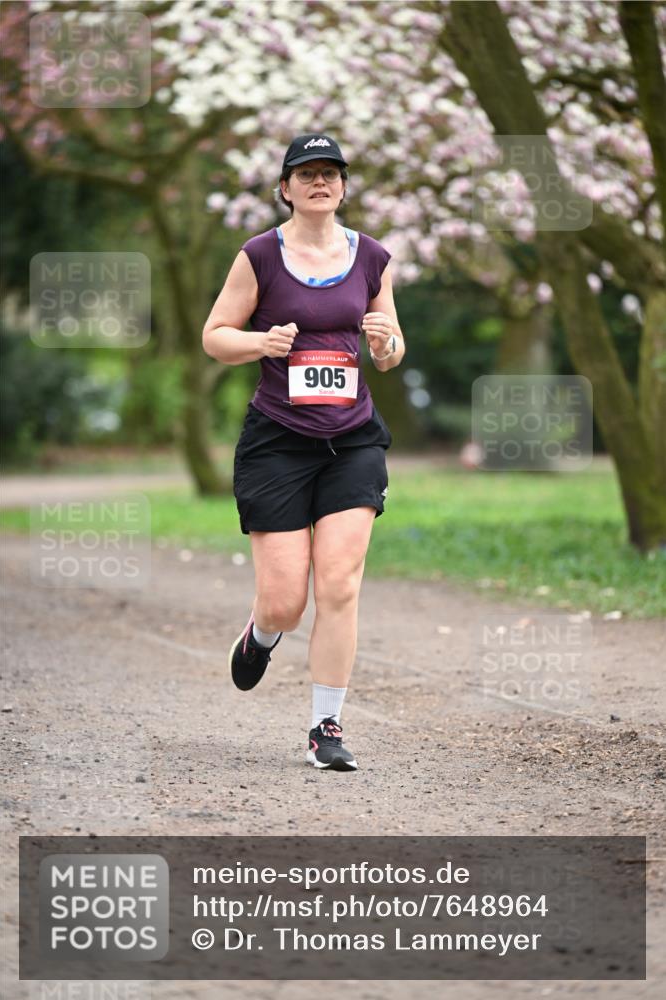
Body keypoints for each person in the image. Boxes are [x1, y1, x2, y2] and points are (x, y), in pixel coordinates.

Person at [202, 133, 405, 771]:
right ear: (285, 188)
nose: (320, 182)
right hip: (278, 443)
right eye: (306, 173)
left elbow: (393, 346)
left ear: (343, 187)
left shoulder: (372, 257)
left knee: (340, 584)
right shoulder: (259, 255)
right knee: (286, 601)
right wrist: (261, 344)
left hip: (353, 439)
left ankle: (326, 726)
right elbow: (215, 337)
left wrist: (384, 346)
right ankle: (261, 634)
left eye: (331, 173)